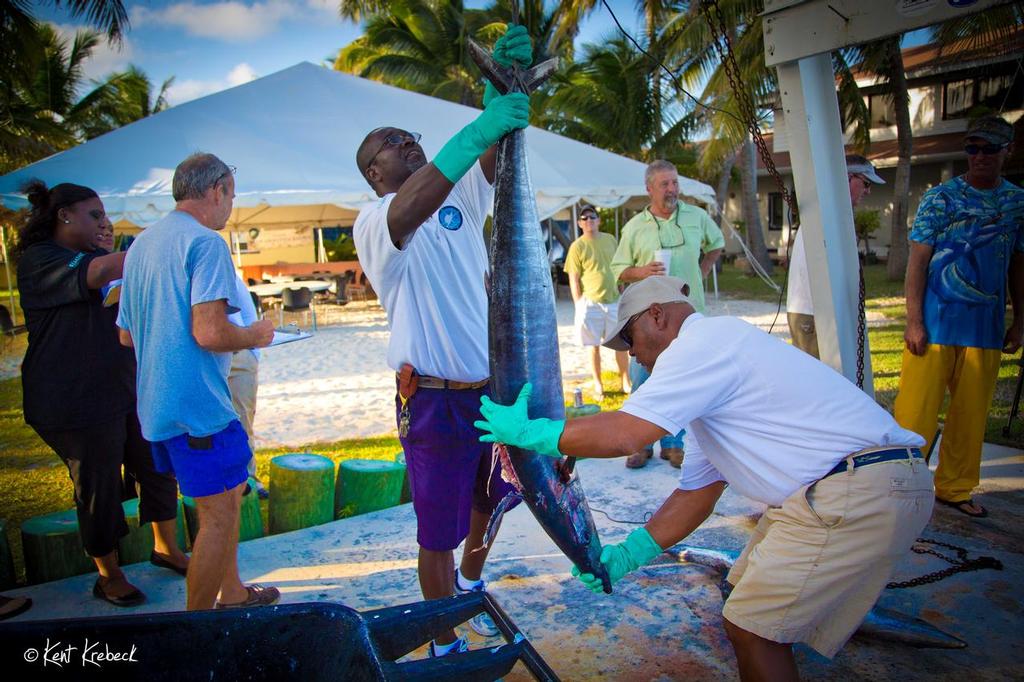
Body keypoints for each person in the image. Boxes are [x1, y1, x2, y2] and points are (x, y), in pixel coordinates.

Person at [475, 275, 933, 681]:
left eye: (629, 337)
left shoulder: (703, 344)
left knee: (751, 628)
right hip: (872, 485)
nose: (631, 353)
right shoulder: (713, 372)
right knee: (742, 594)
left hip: (856, 488)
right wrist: (626, 556)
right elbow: (697, 493)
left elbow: (626, 435)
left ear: (657, 316)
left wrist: (534, 434)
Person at [352, 24, 531, 658]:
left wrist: (497, 103)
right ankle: (440, 635)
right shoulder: (376, 221)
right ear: (376, 171)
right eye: (394, 143)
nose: (411, 141)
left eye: (411, 136)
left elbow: (486, 164)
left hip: (488, 390)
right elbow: (412, 207)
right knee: (437, 527)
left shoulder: (456, 193)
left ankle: (468, 590)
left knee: (493, 499)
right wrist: (480, 128)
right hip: (430, 398)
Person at [117, 153, 277, 611]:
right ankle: (198, 630)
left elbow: (127, 334)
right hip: (199, 409)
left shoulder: (142, 245)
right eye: (231, 195)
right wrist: (256, 334)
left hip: (157, 405)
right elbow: (210, 332)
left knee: (220, 507)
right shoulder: (205, 243)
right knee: (219, 518)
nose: (231, 206)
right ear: (216, 191)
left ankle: (236, 593)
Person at [16, 180, 187, 607]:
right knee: (99, 483)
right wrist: (165, 243)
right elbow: (97, 273)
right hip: (72, 398)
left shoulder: (94, 256)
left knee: (156, 464)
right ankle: (108, 574)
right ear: (64, 215)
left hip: (125, 388)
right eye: (95, 215)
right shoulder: (40, 260)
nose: (104, 223)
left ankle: (166, 548)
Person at [894, 115, 1024, 519]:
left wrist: (1020, 320)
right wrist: (913, 320)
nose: (979, 156)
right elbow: (917, 262)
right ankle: (900, 489)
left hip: (984, 329)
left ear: (1008, 151)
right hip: (934, 325)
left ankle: (954, 488)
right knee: (915, 414)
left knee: (970, 418)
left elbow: (1019, 265)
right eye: (972, 148)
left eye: (989, 149)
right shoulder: (941, 198)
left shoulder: (1017, 202)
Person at [611, 160, 724, 469]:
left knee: (683, 380)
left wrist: (700, 273)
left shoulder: (697, 216)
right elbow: (618, 270)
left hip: (688, 316)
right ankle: (640, 444)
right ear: (649, 189)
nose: (672, 189)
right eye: (665, 184)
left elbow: (716, 244)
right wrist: (642, 271)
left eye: (675, 182)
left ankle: (673, 444)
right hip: (647, 319)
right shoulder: (635, 227)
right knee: (642, 381)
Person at [786, 154, 885, 357]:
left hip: (817, 310)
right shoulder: (826, 211)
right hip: (811, 311)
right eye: (865, 183)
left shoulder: (833, 211)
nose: (868, 191)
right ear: (847, 178)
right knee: (816, 379)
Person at [565, 204, 630, 401]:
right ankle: (598, 383)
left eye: (592, 217)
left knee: (621, 345)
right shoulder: (577, 246)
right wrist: (579, 304)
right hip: (591, 303)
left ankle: (626, 381)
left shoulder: (610, 240)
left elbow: (620, 267)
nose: (589, 220)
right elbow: (574, 277)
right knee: (593, 346)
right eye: (584, 218)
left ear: (598, 220)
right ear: (579, 223)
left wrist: (622, 291)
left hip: (613, 301)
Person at [228, 274, 269, 499]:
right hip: (205, 357)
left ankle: (249, 478)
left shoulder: (230, 275)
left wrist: (252, 353)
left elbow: (247, 313)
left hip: (240, 354)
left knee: (243, 421)